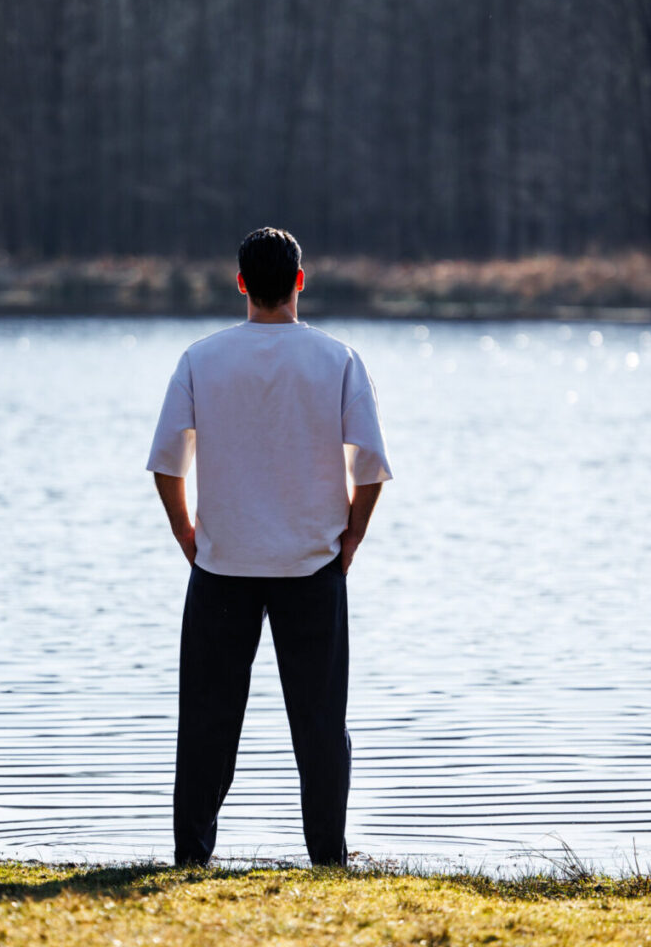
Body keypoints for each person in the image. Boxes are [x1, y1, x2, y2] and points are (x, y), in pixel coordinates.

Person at [146, 226, 393, 868]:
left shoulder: (201, 358)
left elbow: (167, 464)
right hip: (312, 565)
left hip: (222, 564)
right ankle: (328, 859)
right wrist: (354, 536)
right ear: (299, 282)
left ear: (241, 284)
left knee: (206, 720)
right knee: (319, 725)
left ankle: (191, 856)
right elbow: (370, 467)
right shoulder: (338, 359)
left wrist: (185, 534)